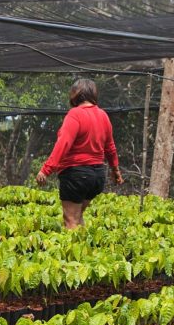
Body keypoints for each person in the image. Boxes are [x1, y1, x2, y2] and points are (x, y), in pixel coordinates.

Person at [36, 78, 123, 229]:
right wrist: (116, 171)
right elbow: (110, 148)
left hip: (76, 174)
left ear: (75, 95)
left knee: (70, 220)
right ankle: (86, 250)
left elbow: (64, 143)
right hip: (97, 177)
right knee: (77, 217)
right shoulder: (103, 115)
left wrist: (46, 169)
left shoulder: (75, 114)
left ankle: (76, 251)